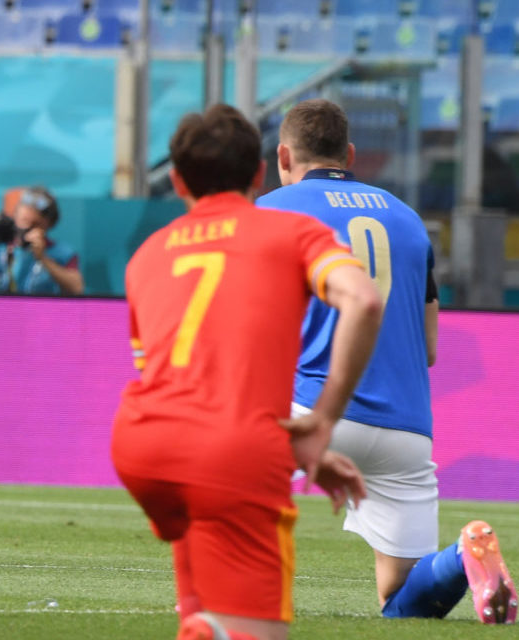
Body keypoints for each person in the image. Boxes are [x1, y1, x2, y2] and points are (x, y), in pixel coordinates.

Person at [111, 104, 380, 640]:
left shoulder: (146, 255)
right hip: (231, 454)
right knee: (257, 631)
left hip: (142, 446)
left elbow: (178, 382)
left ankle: (204, 626)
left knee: (203, 594)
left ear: (179, 181)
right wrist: (322, 422)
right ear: (259, 172)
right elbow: (365, 302)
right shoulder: (293, 233)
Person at [257, 98, 518, 625]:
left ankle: (208, 596)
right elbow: (429, 348)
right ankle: (460, 558)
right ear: (349, 154)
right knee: (404, 603)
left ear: (283, 156)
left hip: (311, 409)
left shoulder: (270, 212)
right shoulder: (408, 219)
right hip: (404, 427)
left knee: (217, 470)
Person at [0, 186, 84, 295]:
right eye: (23, 221)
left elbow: (77, 288)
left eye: (34, 224)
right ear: (15, 215)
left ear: (49, 224)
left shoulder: (62, 253)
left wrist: (43, 258)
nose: (25, 229)